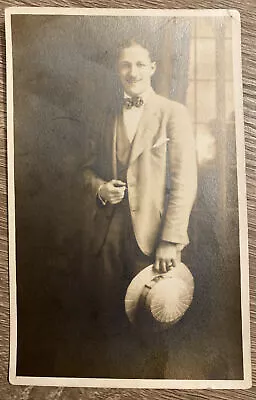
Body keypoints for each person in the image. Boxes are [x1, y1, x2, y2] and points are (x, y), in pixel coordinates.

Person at [83, 36, 197, 378]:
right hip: (107, 236)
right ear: (118, 69)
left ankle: (152, 386)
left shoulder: (172, 113)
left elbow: (185, 181)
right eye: (125, 65)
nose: (132, 72)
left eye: (139, 65)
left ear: (152, 68)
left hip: (153, 239)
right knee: (109, 320)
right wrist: (100, 188)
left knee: (153, 321)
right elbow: (84, 169)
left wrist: (171, 239)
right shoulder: (105, 115)